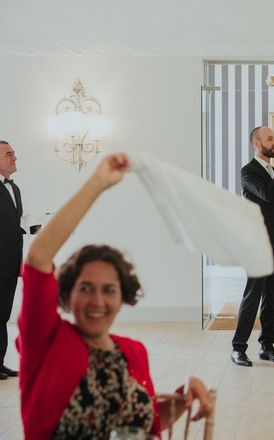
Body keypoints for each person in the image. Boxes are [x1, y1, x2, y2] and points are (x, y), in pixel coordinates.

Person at [17, 153, 213, 439]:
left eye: (109, 290)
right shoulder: (46, 341)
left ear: (123, 297)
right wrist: (97, 184)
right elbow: (38, 256)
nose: (98, 301)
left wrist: (184, 396)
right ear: (68, 294)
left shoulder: (133, 351)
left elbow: (145, 427)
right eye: (85, 288)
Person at [231, 126, 274, 367]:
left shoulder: (272, 171)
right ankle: (238, 348)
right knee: (252, 296)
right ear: (256, 144)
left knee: (272, 297)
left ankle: (267, 346)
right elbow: (268, 194)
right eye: (270, 139)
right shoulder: (248, 172)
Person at [0, 141, 22, 381]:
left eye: (14, 153)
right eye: (9, 154)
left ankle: (0, 361)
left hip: (10, 262)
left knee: (3, 314)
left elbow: (13, 225)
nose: (14, 158)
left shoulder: (14, 189)